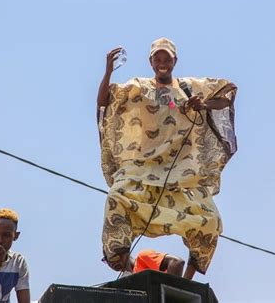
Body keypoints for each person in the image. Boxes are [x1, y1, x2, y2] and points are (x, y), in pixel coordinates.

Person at [98, 38, 237, 280]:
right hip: (144, 169)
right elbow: (104, 102)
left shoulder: (188, 87)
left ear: (175, 61)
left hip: (182, 176)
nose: (162, 63)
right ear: (151, 62)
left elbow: (226, 95)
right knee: (115, 199)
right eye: (158, 59)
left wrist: (203, 103)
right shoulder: (138, 88)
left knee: (210, 221)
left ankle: (186, 283)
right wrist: (108, 71)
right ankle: (134, 272)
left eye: (167, 59)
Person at [104, 249, 185, 277]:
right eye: (107, 260)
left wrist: (170, 295)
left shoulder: (142, 258)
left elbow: (176, 262)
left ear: (124, 253)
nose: (111, 263)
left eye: (113, 257)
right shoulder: (127, 283)